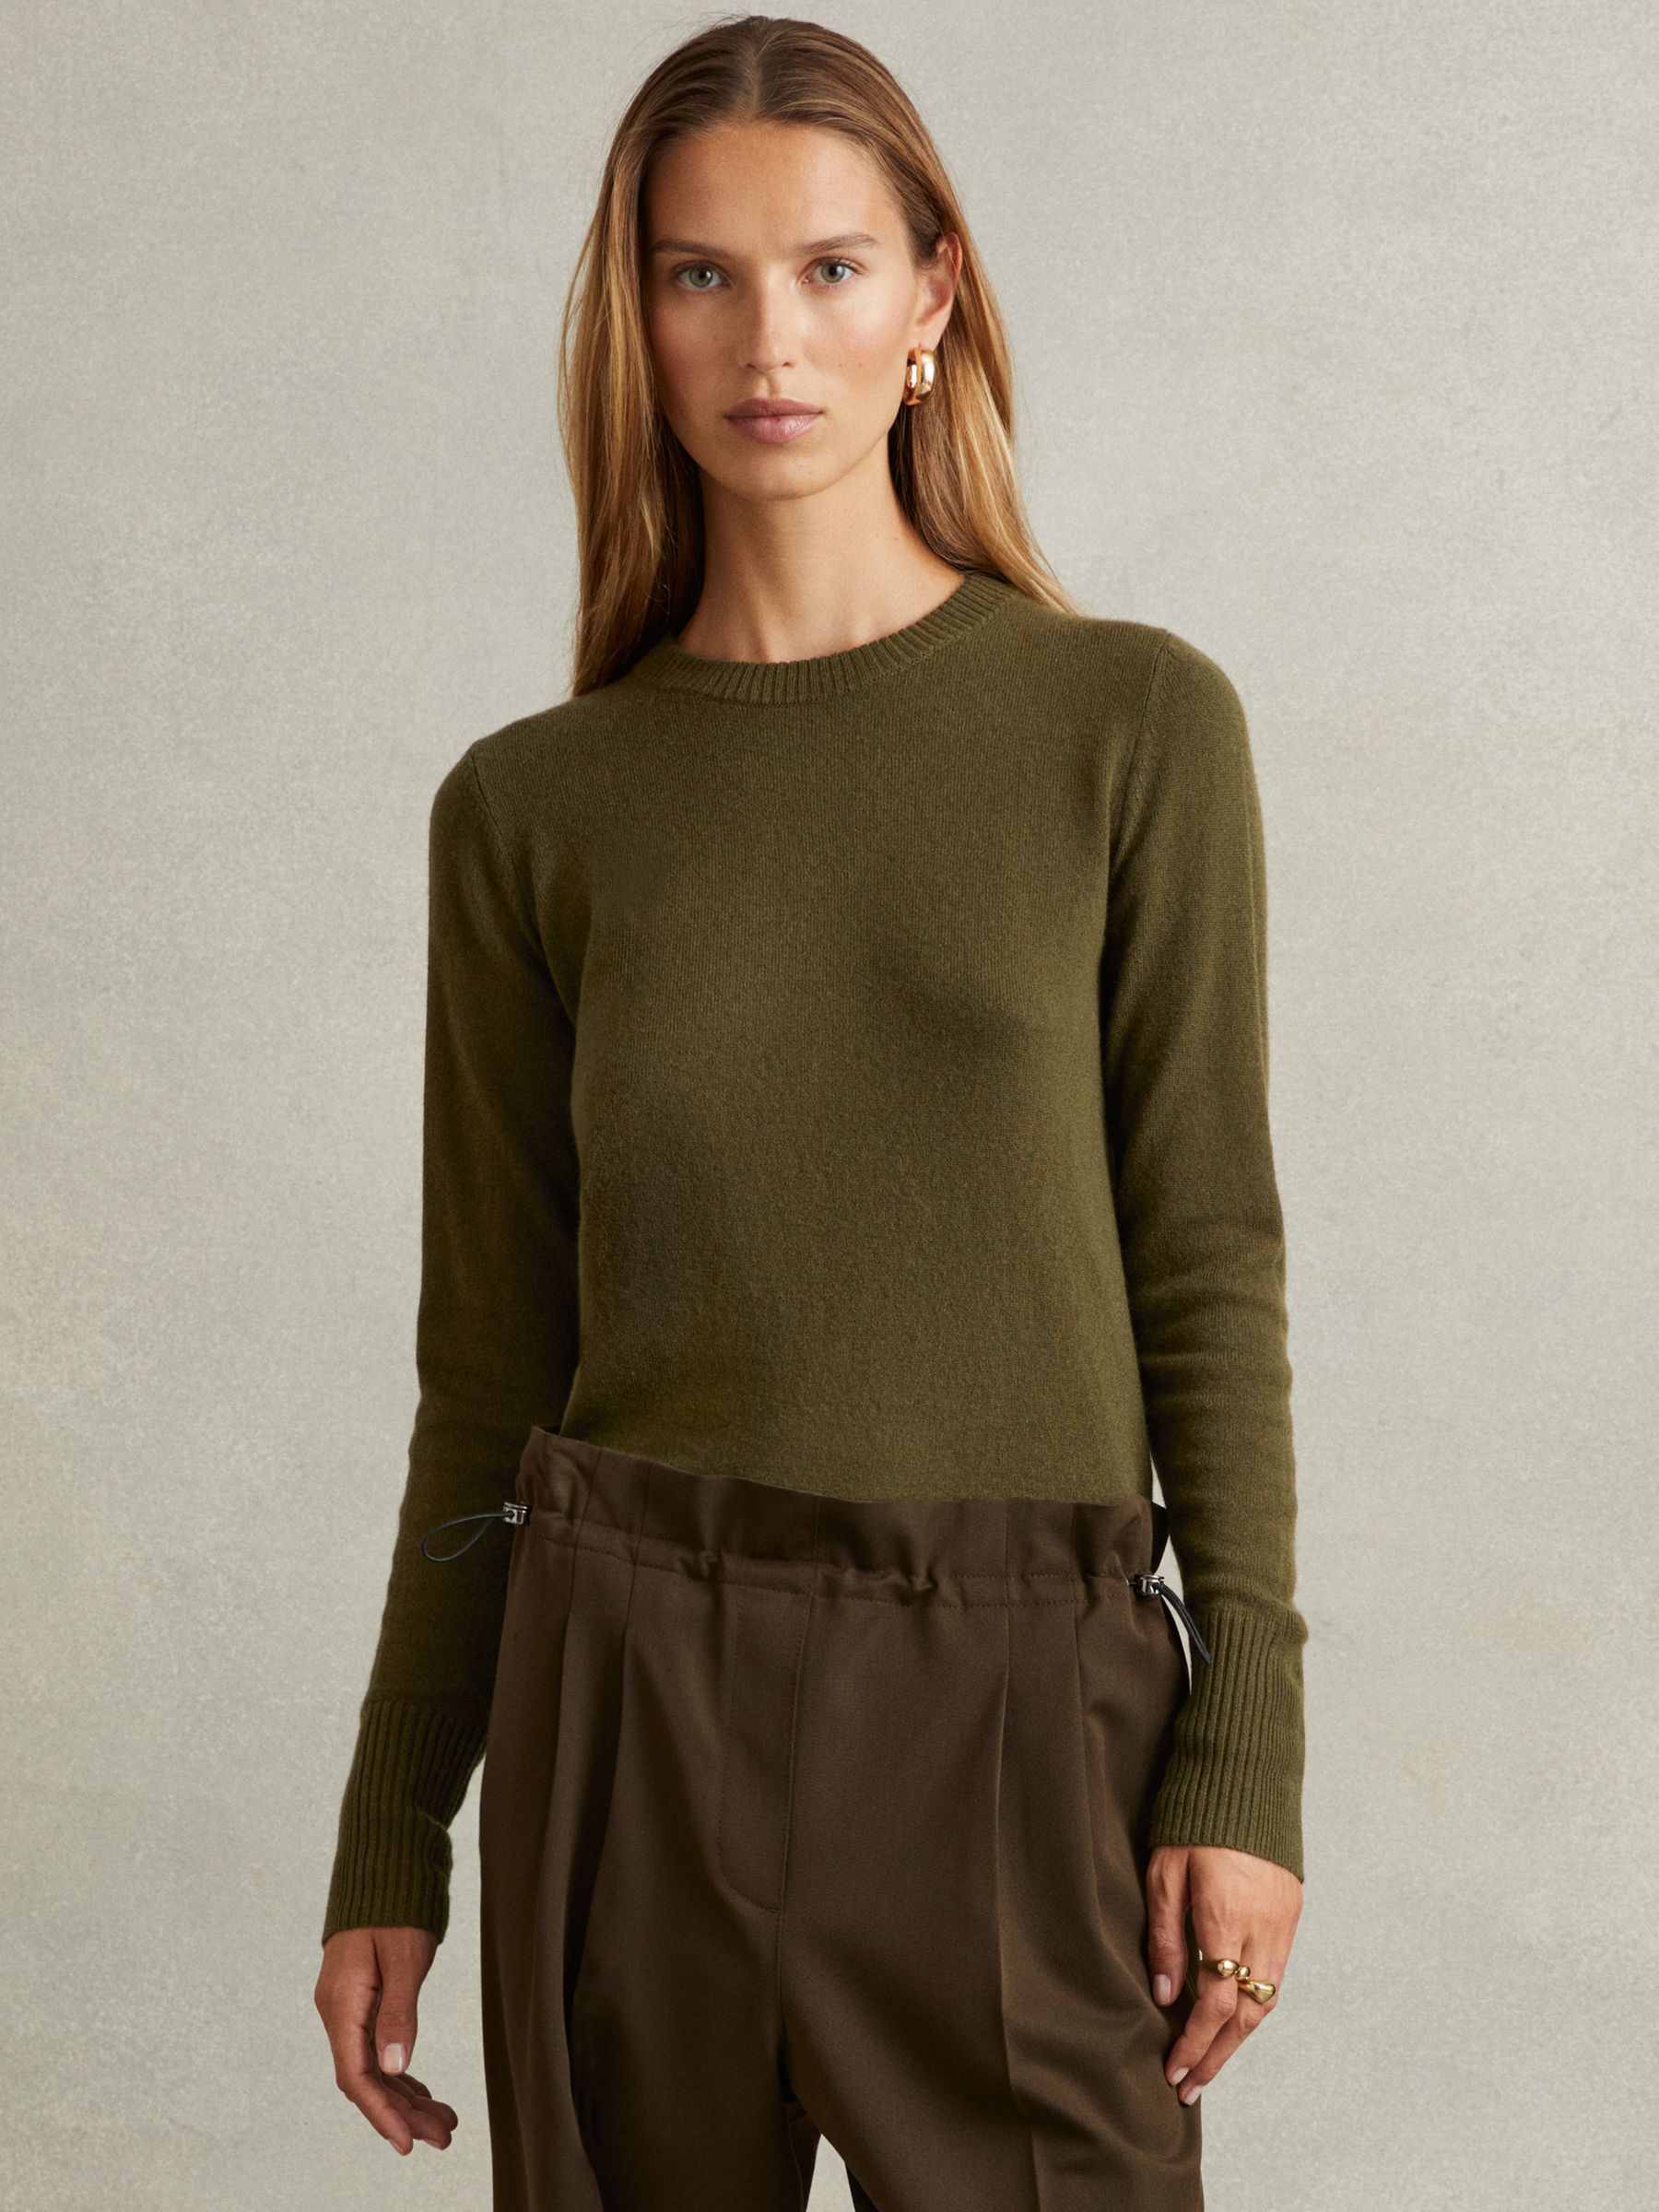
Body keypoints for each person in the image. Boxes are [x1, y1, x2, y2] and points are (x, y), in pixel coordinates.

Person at [313, 16, 1308, 2208]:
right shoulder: (533, 811)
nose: (768, 338)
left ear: (934, 301)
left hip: (1017, 1696)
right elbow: (487, 1368)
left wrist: (1246, 1750)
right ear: (637, 318)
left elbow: (1208, 1257)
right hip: (627, 1686)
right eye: (701, 275)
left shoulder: (1131, 729)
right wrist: (397, 1829)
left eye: (831, 269)